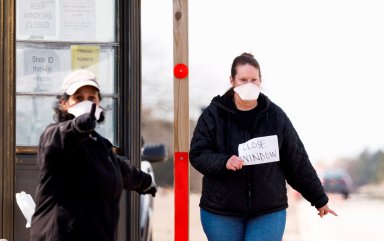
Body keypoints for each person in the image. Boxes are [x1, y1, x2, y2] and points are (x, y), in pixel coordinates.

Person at [189, 53, 337, 241]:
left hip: (268, 212)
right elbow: (198, 154)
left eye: (253, 79)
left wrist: (319, 199)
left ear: (260, 81)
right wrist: (224, 161)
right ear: (232, 80)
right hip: (221, 212)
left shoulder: (276, 116)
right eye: (243, 79)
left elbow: (296, 161)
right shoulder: (213, 115)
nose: (248, 84)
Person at [30, 69, 157, 241]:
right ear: (64, 103)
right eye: (78, 98)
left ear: (99, 104)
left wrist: (146, 182)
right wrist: (76, 126)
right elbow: (57, 138)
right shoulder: (55, 135)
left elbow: (121, 170)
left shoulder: (100, 144)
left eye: (91, 98)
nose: (86, 103)